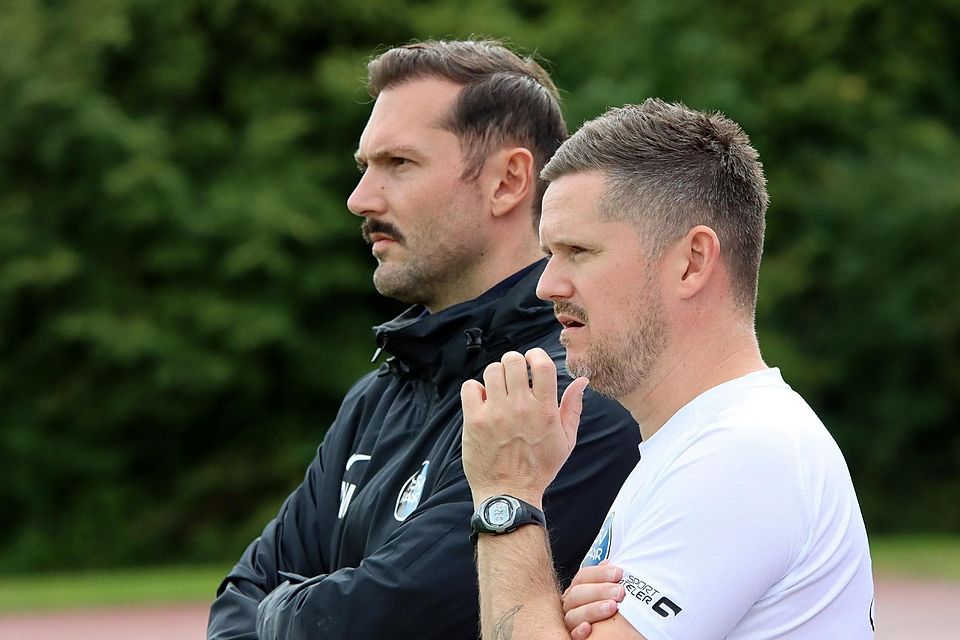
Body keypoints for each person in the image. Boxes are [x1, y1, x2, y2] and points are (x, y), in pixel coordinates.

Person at [206, 40, 640, 640]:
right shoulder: (375, 399)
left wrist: (277, 613)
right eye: (365, 165)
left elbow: (384, 623)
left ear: (508, 181)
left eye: (399, 163)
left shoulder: (570, 397)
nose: (360, 199)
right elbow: (240, 597)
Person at [461, 99, 875, 639]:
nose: (547, 285)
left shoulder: (743, 451)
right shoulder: (704, 442)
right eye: (549, 254)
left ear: (692, 262)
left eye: (578, 250)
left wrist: (507, 495)